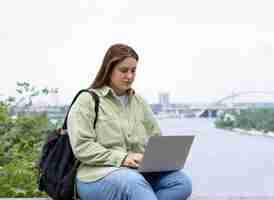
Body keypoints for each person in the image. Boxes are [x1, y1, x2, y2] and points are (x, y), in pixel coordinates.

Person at [67, 43, 192, 200]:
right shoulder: (87, 100)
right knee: (134, 184)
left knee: (181, 182)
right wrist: (123, 158)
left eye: (133, 71)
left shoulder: (139, 102)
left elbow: (156, 136)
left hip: (136, 172)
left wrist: (159, 158)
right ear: (109, 69)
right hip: (97, 176)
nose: (130, 76)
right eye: (123, 70)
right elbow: (82, 147)